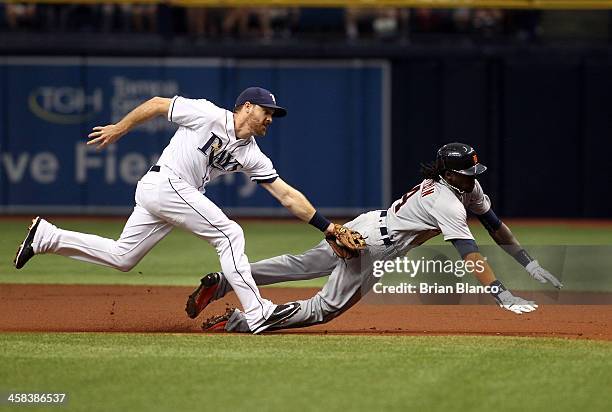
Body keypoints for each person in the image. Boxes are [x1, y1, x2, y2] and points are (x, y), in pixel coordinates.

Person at [13, 86, 354, 334]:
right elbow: (159, 104)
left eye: (273, 115)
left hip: (166, 192)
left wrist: (326, 227)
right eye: (266, 111)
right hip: (166, 183)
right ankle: (258, 312)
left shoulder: (251, 153)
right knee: (230, 233)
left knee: (123, 257)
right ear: (247, 107)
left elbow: (287, 195)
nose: (270, 119)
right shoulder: (209, 114)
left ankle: (47, 237)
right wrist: (120, 127)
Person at [187, 142, 563, 332]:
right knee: (324, 308)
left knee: (301, 265)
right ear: (450, 174)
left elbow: (496, 227)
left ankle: (223, 282)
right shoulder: (447, 202)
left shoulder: (466, 188)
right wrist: (501, 292)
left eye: (474, 171)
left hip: (367, 225)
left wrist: (529, 264)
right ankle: (241, 321)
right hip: (375, 246)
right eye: (467, 172)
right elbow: (469, 253)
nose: (473, 176)